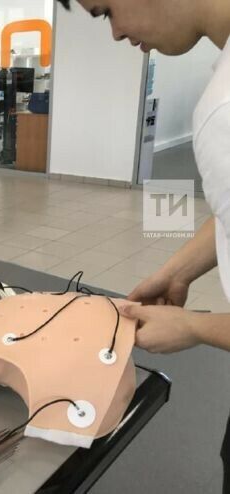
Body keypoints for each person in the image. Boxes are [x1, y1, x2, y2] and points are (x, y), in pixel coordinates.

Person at [57, 0, 230, 490]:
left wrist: (193, 327)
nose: (114, 33)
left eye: (106, 11)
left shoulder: (223, 110)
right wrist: (177, 272)